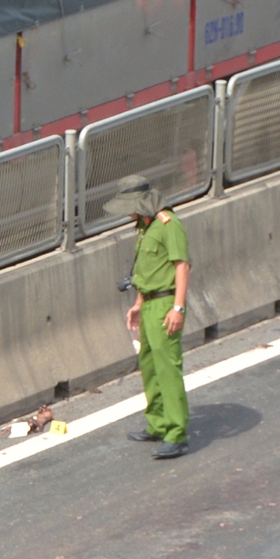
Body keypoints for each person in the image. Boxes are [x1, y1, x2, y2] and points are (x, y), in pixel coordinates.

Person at [105, 176, 192, 460]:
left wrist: (177, 308)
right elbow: (148, 270)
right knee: (151, 367)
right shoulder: (144, 226)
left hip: (166, 304)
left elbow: (181, 266)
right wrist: (138, 302)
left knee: (168, 370)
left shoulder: (168, 224)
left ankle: (176, 434)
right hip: (150, 303)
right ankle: (157, 423)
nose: (128, 212)